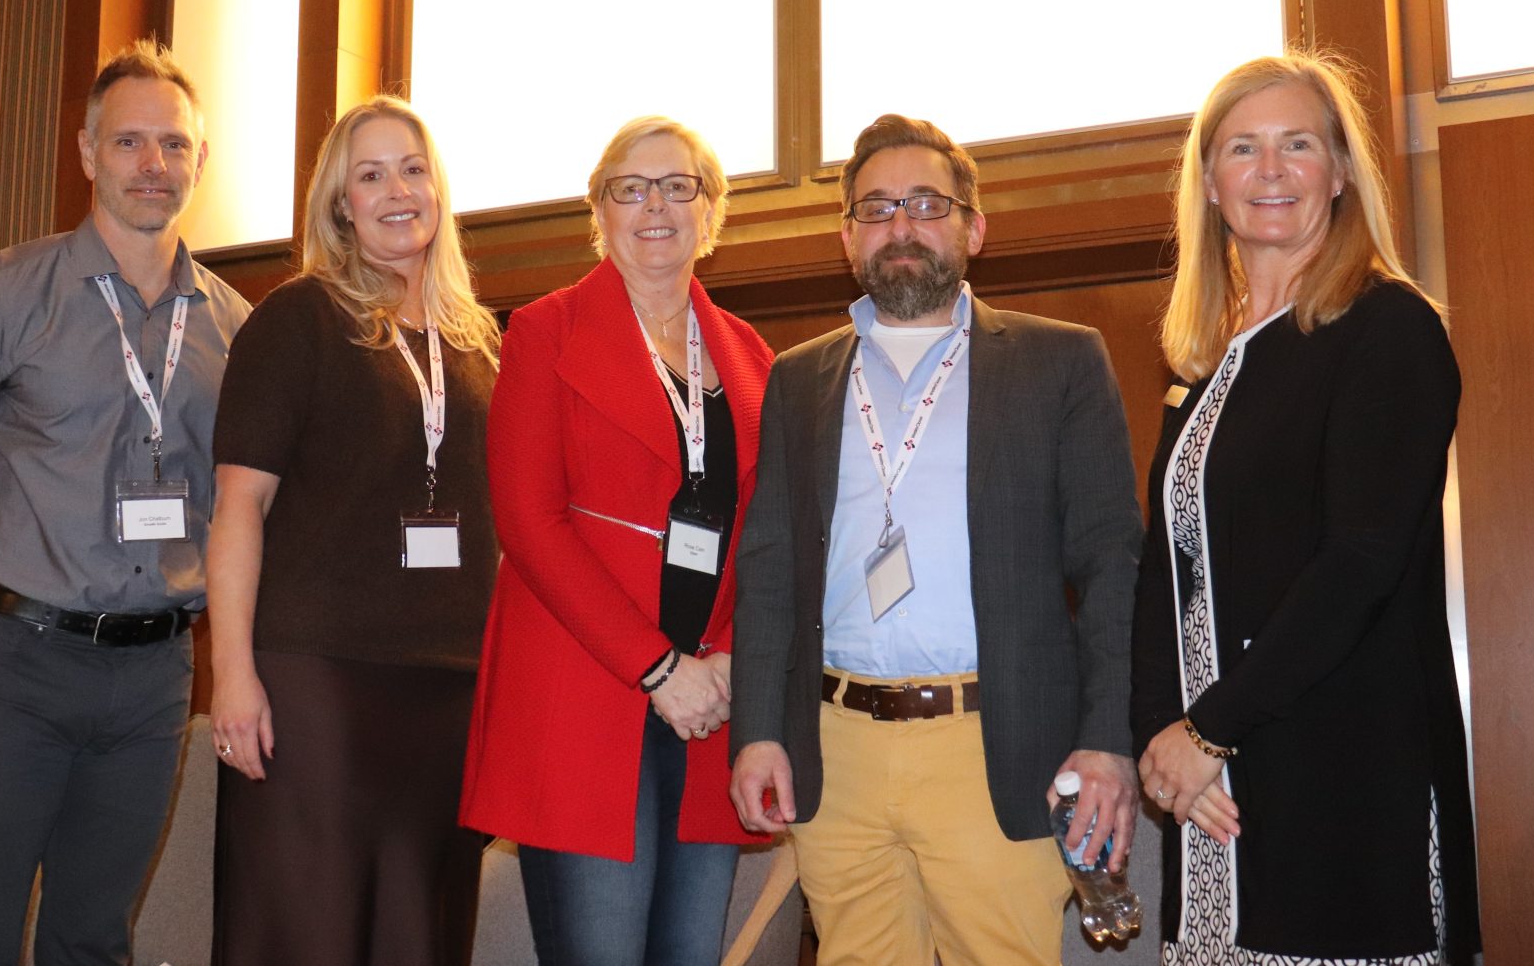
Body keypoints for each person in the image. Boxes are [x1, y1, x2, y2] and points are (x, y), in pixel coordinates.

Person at [727, 113, 1145, 964]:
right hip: (833, 748)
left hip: (997, 746)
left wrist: (1108, 738)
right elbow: (768, 566)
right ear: (848, 239)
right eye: (876, 209)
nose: (902, 225)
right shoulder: (798, 377)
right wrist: (757, 730)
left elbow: (1112, 563)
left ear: (972, 226)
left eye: (925, 202)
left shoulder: (1059, 362)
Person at [0, 40, 250, 965]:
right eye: (129, 143)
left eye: (173, 145)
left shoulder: (234, 327)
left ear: (199, 162)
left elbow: (235, 502)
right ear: (87, 153)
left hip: (155, 678)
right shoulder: (2, 292)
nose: (152, 165)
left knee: (94, 937)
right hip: (16, 663)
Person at [1129, 51, 1480, 964]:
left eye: (1298, 144)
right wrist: (1163, 741)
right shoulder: (1205, 365)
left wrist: (1211, 727)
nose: (1271, 170)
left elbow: (1359, 562)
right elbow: (1163, 573)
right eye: (1243, 148)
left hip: (1340, 779)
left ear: (1341, 173)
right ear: (1209, 183)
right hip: (1215, 792)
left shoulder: (1389, 329)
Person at [459, 117, 773, 964]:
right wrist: (657, 667)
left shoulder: (752, 357)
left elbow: (769, 538)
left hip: (710, 703)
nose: (655, 206)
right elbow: (529, 522)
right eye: (630, 189)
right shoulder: (544, 331)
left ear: (712, 212)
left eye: (679, 186)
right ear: (598, 212)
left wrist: (729, 666)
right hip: (586, 694)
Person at [205, 96, 501, 964]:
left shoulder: (479, 344)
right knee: (312, 930)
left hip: (448, 692)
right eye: (369, 175)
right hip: (319, 686)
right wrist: (231, 676)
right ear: (341, 205)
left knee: (421, 933)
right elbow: (237, 510)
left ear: (438, 192)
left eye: (412, 169)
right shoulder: (296, 318)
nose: (396, 190)